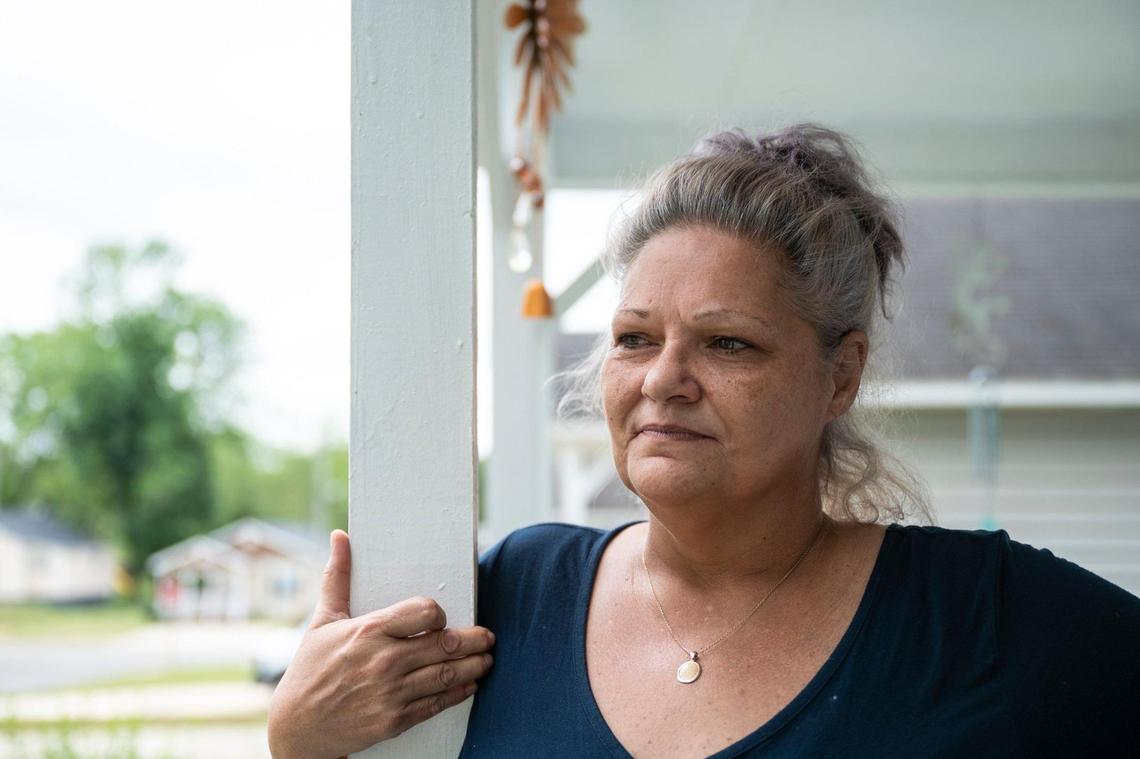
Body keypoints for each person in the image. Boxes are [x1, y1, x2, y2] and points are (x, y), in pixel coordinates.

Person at [267, 124, 1140, 758]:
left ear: (840, 377)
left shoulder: (979, 613)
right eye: (635, 337)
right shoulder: (511, 597)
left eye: (729, 343)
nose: (662, 378)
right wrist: (297, 738)